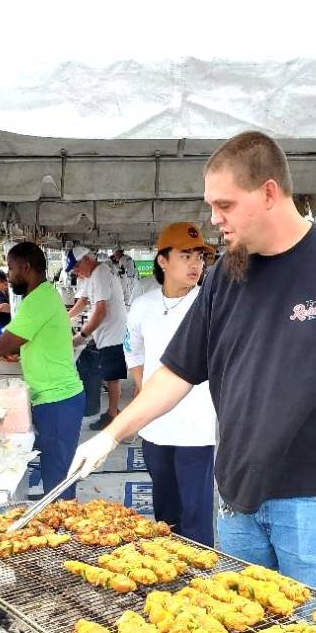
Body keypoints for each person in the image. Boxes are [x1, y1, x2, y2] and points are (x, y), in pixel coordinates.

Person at [70, 130, 316, 594]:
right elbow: (176, 371)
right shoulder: (228, 274)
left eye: (224, 205)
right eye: (211, 206)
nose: (214, 220)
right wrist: (112, 433)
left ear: (269, 192)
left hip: (310, 504)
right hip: (235, 500)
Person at [124, 223, 216, 546]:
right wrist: (144, 390)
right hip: (155, 429)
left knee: (197, 517)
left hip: (197, 430)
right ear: (162, 261)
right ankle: (170, 580)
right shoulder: (142, 307)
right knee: (165, 515)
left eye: (200, 257)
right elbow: (131, 350)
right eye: (185, 255)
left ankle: (201, 584)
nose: (196, 264)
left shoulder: (210, 303)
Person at [0, 242, 84, 498]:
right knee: (54, 467)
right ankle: (57, 513)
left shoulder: (38, 300)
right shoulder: (44, 295)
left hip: (58, 399)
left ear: (26, 268)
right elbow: (22, 341)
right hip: (52, 397)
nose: (9, 274)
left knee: (58, 475)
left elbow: (1, 345)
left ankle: (63, 529)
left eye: (11, 268)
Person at [67, 246, 127, 430]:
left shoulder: (101, 273)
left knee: (112, 377)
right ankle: (113, 412)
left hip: (112, 332)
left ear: (86, 259)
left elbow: (100, 311)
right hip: (105, 332)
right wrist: (65, 318)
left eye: (76, 267)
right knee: (109, 375)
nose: (76, 272)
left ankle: (112, 415)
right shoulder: (91, 275)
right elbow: (83, 301)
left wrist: (82, 335)